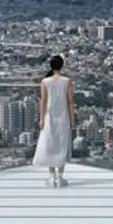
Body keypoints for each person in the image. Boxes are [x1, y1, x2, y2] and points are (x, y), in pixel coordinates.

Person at [32, 54, 74, 187]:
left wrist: (41, 119)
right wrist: (72, 118)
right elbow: (70, 102)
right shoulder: (67, 81)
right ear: (62, 66)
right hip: (64, 117)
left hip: (49, 117)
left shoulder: (45, 82)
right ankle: (60, 178)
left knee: (50, 145)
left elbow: (42, 101)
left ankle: (52, 177)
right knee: (62, 146)